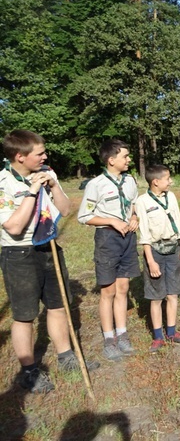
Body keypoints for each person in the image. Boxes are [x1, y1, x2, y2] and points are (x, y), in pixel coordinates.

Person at [0, 130, 99, 393]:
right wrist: (32, 191)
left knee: (57, 305)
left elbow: (65, 210)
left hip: (49, 247)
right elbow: (14, 226)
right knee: (25, 315)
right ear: (19, 156)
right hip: (19, 253)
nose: (45, 156)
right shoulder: (3, 183)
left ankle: (66, 357)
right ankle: (29, 371)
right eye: (39, 153)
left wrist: (53, 186)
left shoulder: (48, 173)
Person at [78, 139, 140, 361]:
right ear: (111, 160)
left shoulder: (130, 181)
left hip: (128, 238)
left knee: (123, 287)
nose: (129, 159)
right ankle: (108, 337)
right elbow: (84, 216)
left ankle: (122, 334)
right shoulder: (96, 184)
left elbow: (133, 204)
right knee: (108, 291)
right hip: (108, 239)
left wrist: (134, 217)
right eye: (125, 156)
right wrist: (111, 221)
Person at [134, 164, 180, 352]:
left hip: (173, 249)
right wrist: (150, 261)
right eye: (167, 178)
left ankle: (172, 332)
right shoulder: (141, 202)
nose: (170, 181)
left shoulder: (171, 197)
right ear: (156, 182)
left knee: (173, 294)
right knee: (156, 297)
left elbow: (179, 223)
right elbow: (144, 235)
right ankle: (158, 336)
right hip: (155, 253)